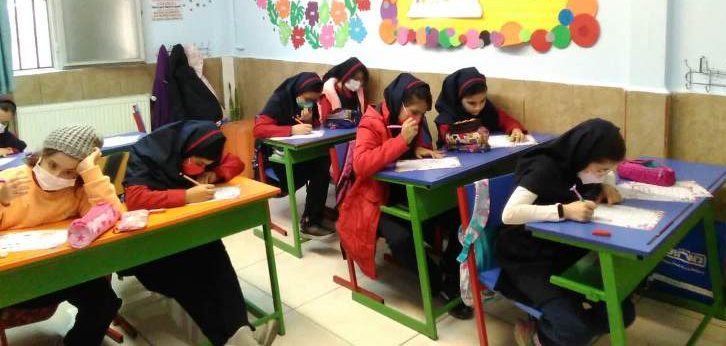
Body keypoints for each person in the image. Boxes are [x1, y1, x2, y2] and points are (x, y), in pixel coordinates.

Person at [123, 120, 277, 346]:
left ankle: (242, 332)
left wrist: (214, 173)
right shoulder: (148, 152)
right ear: (185, 149)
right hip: (152, 245)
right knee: (188, 279)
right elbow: (135, 198)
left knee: (216, 257)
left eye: (205, 165)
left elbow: (235, 162)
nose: (199, 169)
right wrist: (185, 196)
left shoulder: (202, 148)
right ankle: (235, 339)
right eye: (198, 163)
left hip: (188, 232)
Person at [337, 73, 474, 319]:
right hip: (375, 201)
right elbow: (361, 165)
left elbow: (413, 149)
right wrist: (401, 141)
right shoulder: (372, 121)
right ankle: (437, 284)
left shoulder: (413, 121)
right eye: (413, 112)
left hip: (408, 191)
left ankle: (450, 269)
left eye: (422, 114)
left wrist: (418, 149)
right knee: (401, 239)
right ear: (397, 102)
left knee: (458, 213)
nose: (418, 119)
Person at [496, 118, 635, 346]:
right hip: (527, 256)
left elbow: (581, 183)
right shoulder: (544, 168)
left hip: (563, 249)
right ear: (583, 156)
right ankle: (536, 336)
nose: (603, 174)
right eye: (601, 170)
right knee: (576, 331)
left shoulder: (577, 165)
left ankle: (564, 325)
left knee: (623, 313)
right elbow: (509, 214)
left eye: (608, 171)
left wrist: (604, 186)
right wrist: (565, 211)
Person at [0, 125, 123, 346]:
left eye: (69, 172)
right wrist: (1, 199)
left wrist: (90, 171)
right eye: (52, 165)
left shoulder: (79, 190)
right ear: (41, 156)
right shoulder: (11, 181)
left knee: (105, 302)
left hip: (59, 273)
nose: (56, 176)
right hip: (10, 280)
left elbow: (111, 212)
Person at [253, 72, 334, 238]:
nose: (309, 103)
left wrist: (308, 120)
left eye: (314, 100)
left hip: (300, 153)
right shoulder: (279, 100)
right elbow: (259, 129)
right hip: (277, 158)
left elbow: (315, 126)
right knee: (318, 167)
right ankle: (311, 218)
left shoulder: (309, 104)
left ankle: (310, 220)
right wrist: (291, 130)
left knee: (323, 161)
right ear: (298, 91)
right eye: (307, 99)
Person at [434, 67, 525, 147]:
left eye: (482, 101)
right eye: (471, 103)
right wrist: (476, 137)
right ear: (458, 100)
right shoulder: (446, 120)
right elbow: (450, 139)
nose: (478, 107)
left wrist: (515, 129)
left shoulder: (488, 110)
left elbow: (507, 120)